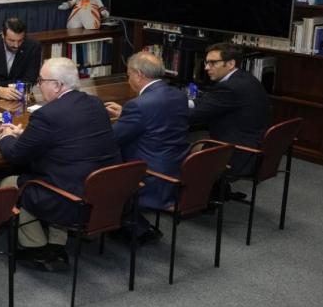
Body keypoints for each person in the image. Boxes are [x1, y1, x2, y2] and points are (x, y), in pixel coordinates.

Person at [0, 57, 120, 272]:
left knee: (10, 182)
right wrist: (28, 135)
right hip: (103, 192)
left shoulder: (47, 115)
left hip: (70, 200)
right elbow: (69, 137)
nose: (38, 85)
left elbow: (16, 155)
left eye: (41, 80)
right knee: (62, 174)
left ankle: (36, 248)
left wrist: (6, 136)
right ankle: (57, 243)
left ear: (58, 85)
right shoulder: (95, 104)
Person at [104, 52, 188, 242]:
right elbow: (159, 120)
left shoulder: (140, 105)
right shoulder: (178, 95)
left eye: (129, 74)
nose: (128, 80)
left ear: (139, 74)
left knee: (100, 160)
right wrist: (126, 113)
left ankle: (124, 223)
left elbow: (112, 138)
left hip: (149, 176)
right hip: (176, 167)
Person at [189, 43, 270, 178]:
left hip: (238, 153)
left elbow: (195, 116)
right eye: (206, 62)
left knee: (185, 149)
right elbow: (211, 100)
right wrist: (189, 102)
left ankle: (194, 193)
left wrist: (165, 111)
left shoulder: (230, 87)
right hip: (254, 145)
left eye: (213, 63)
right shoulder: (244, 78)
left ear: (231, 63)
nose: (206, 67)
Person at [0, 17, 43, 100]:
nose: (16, 45)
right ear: (2, 35)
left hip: (20, 96)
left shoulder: (33, 47)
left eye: (20, 40)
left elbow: (29, 80)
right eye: (11, 40)